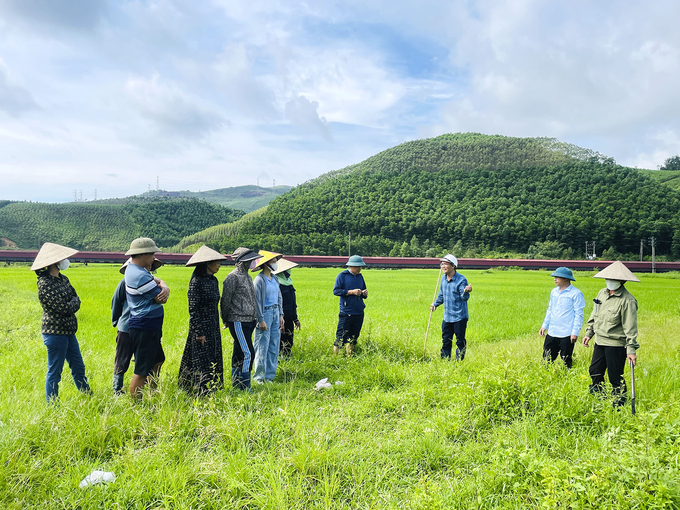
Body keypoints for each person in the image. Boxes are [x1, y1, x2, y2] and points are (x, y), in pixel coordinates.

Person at [31, 242, 91, 402]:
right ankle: (52, 404)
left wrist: (72, 303)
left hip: (69, 332)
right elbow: (63, 307)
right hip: (55, 333)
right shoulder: (44, 284)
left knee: (78, 366)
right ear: (55, 262)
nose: (65, 260)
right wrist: (72, 304)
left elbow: (76, 298)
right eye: (62, 258)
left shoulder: (64, 279)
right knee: (55, 371)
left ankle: (86, 395)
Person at [582, 261, 639, 407]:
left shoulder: (628, 301)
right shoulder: (602, 293)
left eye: (613, 279)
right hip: (600, 340)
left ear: (622, 281)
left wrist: (631, 350)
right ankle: (599, 399)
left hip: (616, 344)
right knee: (594, 371)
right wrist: (589, 333)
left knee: (615, 376)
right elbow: (595, 314)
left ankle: (619, 404)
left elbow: (630, 327)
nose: (610, 281)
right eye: (608, 278)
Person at [124, 237, 170, 398]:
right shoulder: (140, 276)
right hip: (145, 327)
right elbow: (161, 298)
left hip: (150, 327)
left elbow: (157, 282)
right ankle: (137, 404)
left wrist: (163, 284)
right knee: (142, 370)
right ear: (142, 254)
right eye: (152, 254)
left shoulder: (137, 270)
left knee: (158, 359)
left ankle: (153, 391)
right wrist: (165, 288)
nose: (153, 258)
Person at [179, 245, 227, 395]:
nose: (219, 265)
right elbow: (193, 309)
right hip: (200, 326)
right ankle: (199, 389)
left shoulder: (214, 280)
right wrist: (198, 332)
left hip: (213, 325)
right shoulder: (196, 282)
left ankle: (214, 387)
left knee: (214, 355)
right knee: (200, 358)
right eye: (217, 262)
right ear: (208, 263)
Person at [111, 256, 163, 395]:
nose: (149, 268)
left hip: (144, 327)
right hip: (126, 326)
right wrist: (116, 321)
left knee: (150, 359)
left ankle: (148, 386)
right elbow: (116, 301)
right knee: (122, 359)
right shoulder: (125, 282)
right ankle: (117, 389)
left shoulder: (150, 282)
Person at [220, 247, 262, 391]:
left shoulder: (248, 277)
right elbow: (225, 300)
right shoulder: (233, 277)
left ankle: (236, 384)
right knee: (248, 352)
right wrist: (225, 319)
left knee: (239, 351)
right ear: (242, 261)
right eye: (250, 260)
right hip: (238, 320)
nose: (253, 262)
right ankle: (245, 386)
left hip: (250, 320)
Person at [539, 267, 585, 368]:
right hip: (552, 331)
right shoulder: (554, 292)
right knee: (546, 358)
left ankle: (566, 377)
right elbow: (550, 309)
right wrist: (544, 325)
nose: (555, 279)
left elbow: (579, 314)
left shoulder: (576, 294)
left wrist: (575, 332)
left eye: (557, 277)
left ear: (566, 279)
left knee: (566, 359)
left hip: (567, 333)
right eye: (554, 277)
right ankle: (545, 376)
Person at [430, 254, 472, 360]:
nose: (442, 266)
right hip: (447, 317)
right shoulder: (443, 279)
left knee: (459, 341)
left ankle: (459, 362)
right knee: (446, 340)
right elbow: (442, 295)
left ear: (453, 266)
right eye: (442, 264)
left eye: (445, 264)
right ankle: (445, 361)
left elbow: (464, 297)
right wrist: (435, 304)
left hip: (459, 317)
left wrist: (466, 291)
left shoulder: (461, 280)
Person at [252, 250, 284, 383]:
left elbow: (279, 296)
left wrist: (281, 314)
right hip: (265, 313)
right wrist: (260, 319)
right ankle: (259, 377)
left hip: (276, 312)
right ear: (266, 264)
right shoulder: (259, 280)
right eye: (273, 261)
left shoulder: (275, 278)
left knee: (274, 345)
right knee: (261, 346)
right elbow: (257, 301)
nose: (276, 263)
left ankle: (269, 376)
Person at [333, 255, 368, 355]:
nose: (360, 268)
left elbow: (363, 290)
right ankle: (334, 358)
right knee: (340, 337)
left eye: (361, 266)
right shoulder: (342, 276)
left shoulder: (360, 277)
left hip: (359, 311)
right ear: (351, 266)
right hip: (346, 312)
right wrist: (351, 292)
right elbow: (336, 291)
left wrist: (364, 293)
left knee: (353, 338)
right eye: (358, 266)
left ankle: (350, 357)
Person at [273, 258, 301, 359]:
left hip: (290, 317)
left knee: (289, 338)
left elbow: (293, 303)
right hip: (281, 318)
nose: (289, 272)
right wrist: (280, 320)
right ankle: (280, 359)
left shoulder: (289, 283)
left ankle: (287, 357)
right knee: (281, 340)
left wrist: (296, 318)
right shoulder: (277, 284)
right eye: (287, 270)